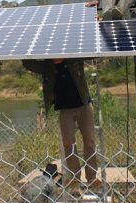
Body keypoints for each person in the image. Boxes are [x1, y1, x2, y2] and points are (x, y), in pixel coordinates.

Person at [22, 58, 101, 192]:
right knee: (68, 144)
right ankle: (75, 177)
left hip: (84, 106)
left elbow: (93, 55)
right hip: (65, 110)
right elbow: (27, 63)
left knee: (90, 141)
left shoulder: (74, 58)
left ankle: (92, 177)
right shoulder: (47, 66)